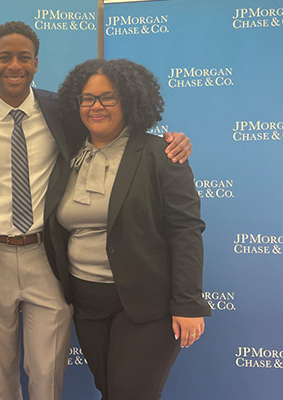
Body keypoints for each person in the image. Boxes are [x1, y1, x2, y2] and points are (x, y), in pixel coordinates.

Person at [0, 21, 194, 400]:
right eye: (5, 57)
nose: (15, 65)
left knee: (47, 372)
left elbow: (115, 136)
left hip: (47, 257)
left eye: (24, 57)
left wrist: (174, 140)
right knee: (0, 370)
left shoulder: (63, 109)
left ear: (37, 63)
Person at [54, 58, 211, 400]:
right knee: (109, 390)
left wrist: (188, 302)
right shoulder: (66, 156)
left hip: (146, 304)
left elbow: (185, 230)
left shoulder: (161, 153)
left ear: (129, 100)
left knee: (131, 393)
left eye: (108, 97)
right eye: (87, 98)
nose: (96, 106)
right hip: (87, 302)